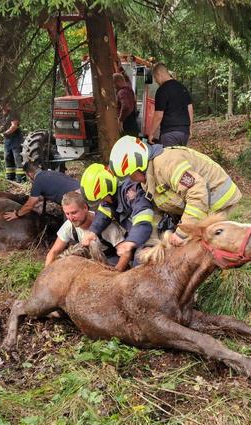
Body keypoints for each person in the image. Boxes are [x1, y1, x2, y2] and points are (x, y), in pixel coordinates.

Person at [108, 136, 241, 246]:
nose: (132, 180)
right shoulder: (148, 178)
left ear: (139, 164)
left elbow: (197, 193)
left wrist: (181, 233)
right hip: (205, 208)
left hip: (220, 203)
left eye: (131, 175)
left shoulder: (166, 164)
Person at [80, 163, 157, 271]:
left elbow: (143, 218)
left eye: (102, 198)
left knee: (139, 265)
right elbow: (104, 212)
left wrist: (131, 242)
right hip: (138, 234)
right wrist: (92, 232)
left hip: (154, 231)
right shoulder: (111, 197)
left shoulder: (131, 192)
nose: (101, 202)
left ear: (108, 189)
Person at [44, 190, 124, 266]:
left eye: (74, 213)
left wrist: (117, 271)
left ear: (85, 208)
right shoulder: (69, 225)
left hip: (110, 259)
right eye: (67, 214)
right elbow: (54, 252)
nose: (71, 218)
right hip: (88, 261)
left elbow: (125, 253)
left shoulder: (105, 225)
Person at [3, 162, 79, 222]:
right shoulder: (51, 173)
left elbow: (29, 205)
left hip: (74, 199)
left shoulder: (38, 181)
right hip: (84, 190)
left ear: (29, 174)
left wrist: (17, 214)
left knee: (69, 227)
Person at [147, 63, 193, 146]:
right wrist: (190, 128)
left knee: (169, 159)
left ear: (159, 74)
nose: (156, 81)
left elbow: (158, 115)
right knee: (180, 158)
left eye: (155, 77)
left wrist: (151, 133)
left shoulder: (162, 90)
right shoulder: (182, 87)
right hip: (184, 133)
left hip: (170, 134)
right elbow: (190, 108)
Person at [0, 101, 24, 182]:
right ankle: (10, 178)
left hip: (16, 139)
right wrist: (0, 129)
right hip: (7, 139)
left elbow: (14, 126)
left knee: (17, 157)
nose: (7, 106)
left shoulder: (13, 113)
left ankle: (20, 179)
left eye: (7, 104)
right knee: (7, 157)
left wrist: (3, 134)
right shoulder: (0, 115)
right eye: (4, 104)